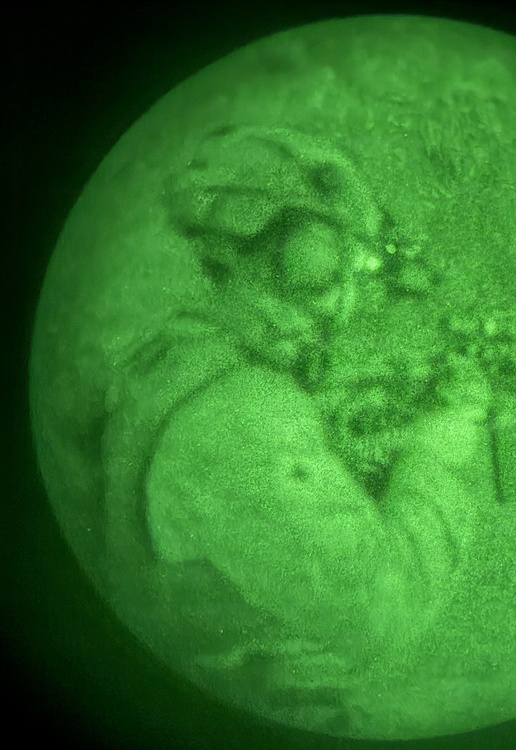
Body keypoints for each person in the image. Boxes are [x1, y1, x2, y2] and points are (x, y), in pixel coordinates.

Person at [100, 124, 495, 734]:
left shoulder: (176, 358)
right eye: (340, 247)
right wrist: (436, 457)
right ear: (302, 247)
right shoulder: (241, 409)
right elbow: (382, 612)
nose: (357, 276)